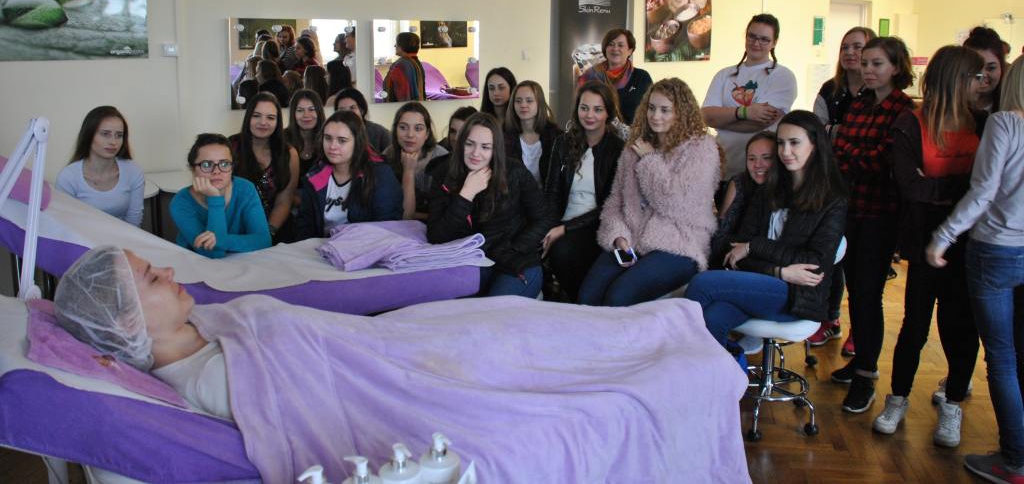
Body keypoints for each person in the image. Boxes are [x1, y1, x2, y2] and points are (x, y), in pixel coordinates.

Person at [52, 245, 751, 484]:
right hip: (407, 374)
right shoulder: (213, 379)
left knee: (517, 318)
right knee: (547, 360)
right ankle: (680, 343)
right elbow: (321, 420)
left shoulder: (208, 324)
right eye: (150, 278)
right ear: (126, 321)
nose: (170, 272)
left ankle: (675, 324)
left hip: (401, 341)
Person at [871, 46, 984, 447]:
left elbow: (985, 186)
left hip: (969, 243)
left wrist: (947, 188)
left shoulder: (984, 122)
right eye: (975, 77)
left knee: (960, 327)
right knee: (915, 325)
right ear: (958, 79)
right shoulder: (910, 123)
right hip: (923, 241)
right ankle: (897, 399)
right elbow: (911, 187)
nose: (981, 83)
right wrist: (964, 189)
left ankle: (952, 403)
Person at [926, 56, 1024, 483]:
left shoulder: (1005, 123)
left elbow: (983, 190)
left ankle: (1014, 460)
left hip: (996, 251)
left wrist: (943, 236)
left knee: (1002, 359)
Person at [685, 111, 847, 356]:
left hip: (798, 296)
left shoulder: (833, 199)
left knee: (702, 283)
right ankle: (722, 376)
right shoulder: (769, 189)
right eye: (781, 143)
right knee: (713, 318)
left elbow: (814, 264)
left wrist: (754, 247)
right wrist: (777, 271)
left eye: (794, 143)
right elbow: (736, 252)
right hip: (764, 280)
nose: (785, 151)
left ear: (814, 145)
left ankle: (679, 365)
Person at [579, 78, 721, 307]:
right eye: (652, 108)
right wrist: (618, 235)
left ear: (681, 113)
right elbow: (616, 202)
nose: (655, 116)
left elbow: (676, 203)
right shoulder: (635, 147)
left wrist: (649, 161)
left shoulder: (701, 148)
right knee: (588, 296)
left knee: (619, 297)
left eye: (665, 110)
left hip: (679, 242)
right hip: (633, 238)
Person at [830, 36, 916, 413]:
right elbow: (840, 153)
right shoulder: (860, 104)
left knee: (868, 293)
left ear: (896, 67)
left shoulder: (903, 110)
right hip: (852, 209)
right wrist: (852, 153)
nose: (867, 69)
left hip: (881, 214)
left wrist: (848, 151)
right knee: (855, 291)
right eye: (865, 63)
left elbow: (882, 163)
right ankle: (861, 360)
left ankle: (866, 373)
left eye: (876, 63)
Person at [427, 112, 553, 298]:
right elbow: (437, 236)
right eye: (469, 144)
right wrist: (466, 194)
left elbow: (543, 219)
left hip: (516, 263)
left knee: (494, 309)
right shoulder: (443, 173)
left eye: (485, 147)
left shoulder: (515, 172)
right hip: (471, 263)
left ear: (496, 149)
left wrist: (513, 248)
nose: (476, 153)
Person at [808, 26, 876, 347]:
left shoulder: (875, 93)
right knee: (830, 257)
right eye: (845, 46)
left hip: (866, 190)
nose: (850, 52)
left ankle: (859, 331)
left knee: (861, 268)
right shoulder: (830, 89)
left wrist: (835, 131)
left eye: (857, 47)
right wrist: (840, 133)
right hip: (830, 183)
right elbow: (816, 132)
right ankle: (830, 318)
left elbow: (865, 141)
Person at [542, 81, 625, 302]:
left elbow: (609, 205)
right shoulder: (562, 143)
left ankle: (583, 304)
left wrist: (564, 229)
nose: (589, 115)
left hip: (595, 224)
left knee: (562, 251)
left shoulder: (617, 148)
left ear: (608, 113)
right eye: (584, 108)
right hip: (561, 221)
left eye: (598, 109)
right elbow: (551, 193)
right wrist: (549, 226)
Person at [701, 13, 798, 179]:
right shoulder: (724, 75)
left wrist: (722, 121)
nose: (756, 43)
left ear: (774, 42)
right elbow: (706, 116)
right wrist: (744, 112)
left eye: (764, 39)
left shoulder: (782, 76)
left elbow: (760, 123)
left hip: (763, 172)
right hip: (724, 168)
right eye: (752, 36)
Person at [294, 110, 403, 238]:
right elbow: (304, 225)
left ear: (357, 142)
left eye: (342, 140)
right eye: (328, 138)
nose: (332, 146)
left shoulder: (380, 174)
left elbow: (388, 225)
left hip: (365, 246)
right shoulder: (315, 175)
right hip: (321, 246)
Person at [169, 134, 271, 258]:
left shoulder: (246, 189)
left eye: (224, 164)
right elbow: (213, 254)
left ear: (232, 167)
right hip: (196, 264)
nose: (217, 171)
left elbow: (264, 241)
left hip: (240, 261)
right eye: (207, 165)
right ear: (192, 169)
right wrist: (214, 198)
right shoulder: (180, 202)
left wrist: (222, 241)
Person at [56, 106, 145, 227]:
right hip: (82, 238)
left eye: (119, 135)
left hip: (123, 237)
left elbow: (134, 221)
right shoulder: (68, 177)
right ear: (89, 135)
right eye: (105, 134)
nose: (113, 142)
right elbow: (66, 225)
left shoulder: (133, 170)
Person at [229, 93, 300, 243]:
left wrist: (268, 233)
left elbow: (284, 200)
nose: (263, 122)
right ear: (248, 117)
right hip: (235, 226)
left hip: (275, 228)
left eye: (270, 118)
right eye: (256, 116)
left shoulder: (289, 154)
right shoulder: (230, 147)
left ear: (278, 122)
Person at [710, 132, 777, 267]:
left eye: (766, 158)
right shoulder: (739, 183)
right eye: (751, 159)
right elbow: (720, 235)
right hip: (733, 258)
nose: (757, 164)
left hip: (768, 263)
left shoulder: (787, 190)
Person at [383, 102, 448, 220]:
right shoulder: (388, 155)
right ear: (395, 130)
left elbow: (446, 214)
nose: (410, 135)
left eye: (418, 129)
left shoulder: (442, 158)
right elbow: (398, 214)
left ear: (427, 133)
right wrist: (408, 170)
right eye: (403, 127)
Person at [577, 28, 653, 124]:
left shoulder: (642, 77)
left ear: (630, 51)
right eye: (611, 44)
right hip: (595, 132)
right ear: (605, 48)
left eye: (620, 45)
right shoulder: (590, 76)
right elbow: (579, 108)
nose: (615, 48)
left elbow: (651, 110)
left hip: (633, 133)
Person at [503, 80, 560, 186]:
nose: (523, 105)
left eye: (529, 101)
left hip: (547, 195)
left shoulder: (556, 136)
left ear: (539, 103)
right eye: (518, 101)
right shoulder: (505, 137)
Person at [964, 25, 1008, 113]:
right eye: (975, 67)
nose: (982, 74)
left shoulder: (1011, 109)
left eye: (991, 68)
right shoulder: (949, 107)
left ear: (1002, 67)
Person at [332, 87, 391, 152]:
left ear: (362, 110)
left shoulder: (380, 133)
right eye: (342, 110)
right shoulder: (331, 133)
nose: (348, 113)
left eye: (352, 108)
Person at [284, 89, 326, 179]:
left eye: (311, 109)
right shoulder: (282, 138)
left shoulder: (328, 138)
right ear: (293, 114)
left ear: (319, 112)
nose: (306, 115)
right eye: (300, 110)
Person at [383, 32, 426, 102]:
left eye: (397, 43)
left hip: (399, 107)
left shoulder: (401, 65)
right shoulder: (417, 63)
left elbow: (402, 95)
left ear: (402, 46)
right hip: (415, 106)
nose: (394, 45)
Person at [326, 33, 353, 100]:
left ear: (343, 43)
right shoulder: (334, 62)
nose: (334, 44)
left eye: (337, 42)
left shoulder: (349, 60)